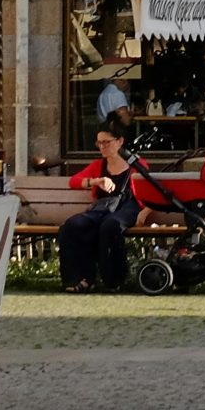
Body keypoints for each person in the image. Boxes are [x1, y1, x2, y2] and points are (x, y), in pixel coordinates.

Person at [60, 117, 146, 293]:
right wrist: (95, 181)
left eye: (106, 142)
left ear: (120, 141)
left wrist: (145, 212)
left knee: (110, 226)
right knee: (72, 225)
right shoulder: (98, 165)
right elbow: (73, 181)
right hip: (103, 208)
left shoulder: (136, 165)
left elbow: (152, 190)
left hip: (128, 207)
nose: (102, 147)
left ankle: (113, 280)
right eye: (99, 143)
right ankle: (80, 278)